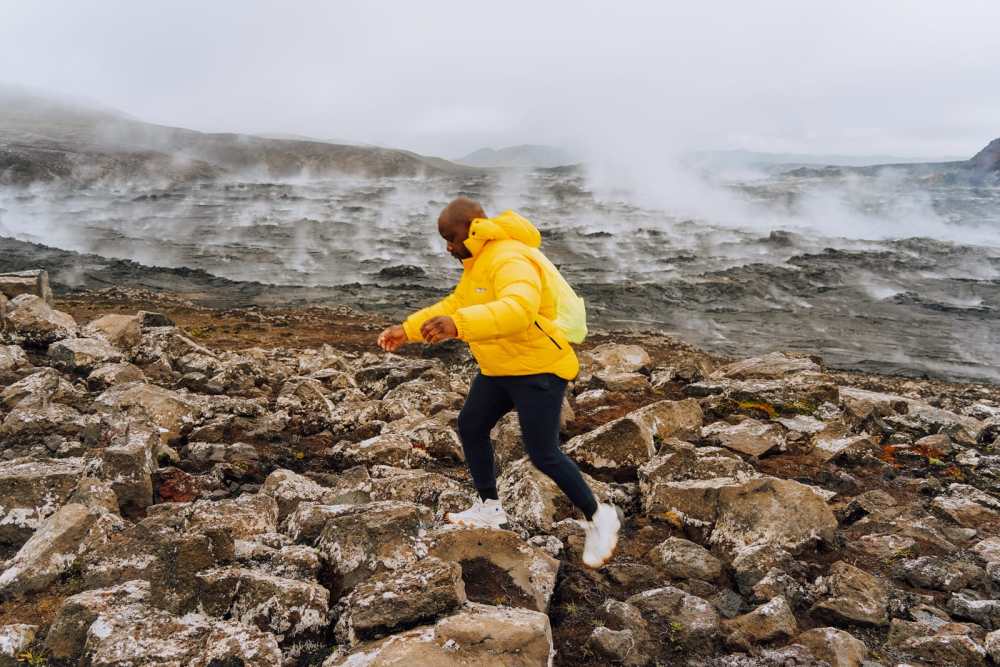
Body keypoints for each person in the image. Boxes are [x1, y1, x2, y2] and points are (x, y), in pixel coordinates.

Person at [377, 196, 620, 568]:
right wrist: (407, 330)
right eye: (444, 240)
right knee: (471, 424)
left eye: (451, 238)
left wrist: (460, 326)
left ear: (472, 229)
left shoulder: (509, 257)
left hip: (538, 368)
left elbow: (519, 310)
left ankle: (597, 516)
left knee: (543, 453)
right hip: (501, 367)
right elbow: (456, 303)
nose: (448, 247)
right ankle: (490, 507)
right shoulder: (478, 264)